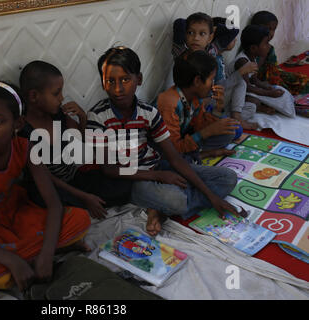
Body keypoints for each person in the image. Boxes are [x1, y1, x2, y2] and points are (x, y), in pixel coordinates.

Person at [0, 80, 90, 293]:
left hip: (17, 215)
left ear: (18, 124)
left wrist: (46, 255)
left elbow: (54, 205)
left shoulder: (26, 147)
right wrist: (12, 261)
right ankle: (25, 261)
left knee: (80, 220)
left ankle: (31, 260)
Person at [87, 46, 244, 237]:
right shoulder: (97, 117)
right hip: (133, 180)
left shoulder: (149, 113)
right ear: (103, 83)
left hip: (159, 165)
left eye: (125, 80)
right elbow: (108, 169)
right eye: (110, 81)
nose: (118, 89)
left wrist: (212, 197)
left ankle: (163, 207)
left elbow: (175, 159)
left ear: (139, 79)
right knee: (176, 200)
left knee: (228, 178)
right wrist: (158, 176)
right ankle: (162, 210)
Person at [19, 60, 132, 220]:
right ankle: (81, 207)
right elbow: (47, 178)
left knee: (122, 188)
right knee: (65, 210)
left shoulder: (58, 116)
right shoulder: (25, 132)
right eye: (56, 93)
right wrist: (85, 197)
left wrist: (82, 117)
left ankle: (83, 204)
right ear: (33, 96)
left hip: (73, 179)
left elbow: (84, 143)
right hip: (50, 188)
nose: (61, 98)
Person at [157, 50, 239, 163]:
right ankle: (198, 156)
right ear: (197, 81)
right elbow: (173, 149)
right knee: (226, 177)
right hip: (166, 154)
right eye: (211, 79)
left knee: (229, 132)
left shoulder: (194, 98)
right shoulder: (169, 103)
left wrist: (218, 108)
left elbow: (199, 127)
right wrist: (209, 131)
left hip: (182, 142)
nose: (213, 84)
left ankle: (195, 156)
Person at [230, 25, 293, 120]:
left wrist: (267, 87)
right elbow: (245, 87)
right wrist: (268, 93)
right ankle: (233, 117)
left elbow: (254, 80)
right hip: (235, 95)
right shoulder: (242, 62)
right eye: (266, 43)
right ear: (253, 48)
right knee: (254, 102)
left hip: (248, 90)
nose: (269, 47)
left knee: (281, 90)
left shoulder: (253, 58)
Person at [251, 11, 308, 96]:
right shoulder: (252, 48)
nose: (271, 33)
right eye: (268, 29)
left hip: (274, 75)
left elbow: (274, 68)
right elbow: (252, 75)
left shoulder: (270, 48)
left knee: (303, 81)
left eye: (273, 29)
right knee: (282, 89)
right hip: (260, 82)